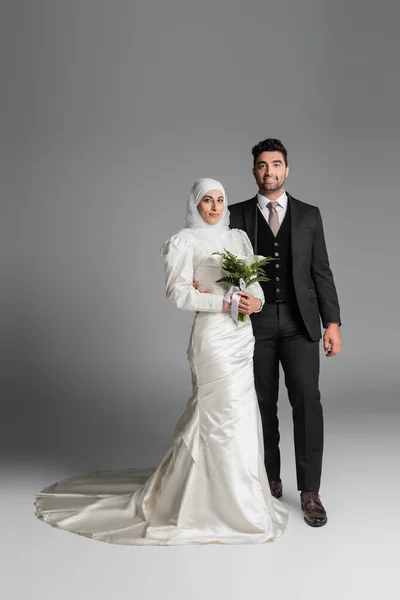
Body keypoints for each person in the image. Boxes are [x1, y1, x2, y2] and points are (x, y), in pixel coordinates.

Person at [35, 178, 288, 545]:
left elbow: (256, 289)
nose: (215, 207)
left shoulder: (237, 239)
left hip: (240, 336)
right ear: (194, 204)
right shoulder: (183, 241)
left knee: (242, 412)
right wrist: (223, 302)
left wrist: (254, 302)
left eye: (220, 199)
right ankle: (202, 505)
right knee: (216, 413)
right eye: (207, 201)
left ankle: (244, 500)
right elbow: (178, 294)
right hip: (213, 338)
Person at [229, 139, 342, 527]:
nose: (270, 171)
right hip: (253, 327)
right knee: (261, 405)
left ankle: (309, 491)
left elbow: (321, 271)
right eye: (262, 165)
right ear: (254, 171)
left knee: (308, 404)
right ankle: (268, 481)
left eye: (276, 164)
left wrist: (333, 323)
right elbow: (223, 274)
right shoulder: (236, 215)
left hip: (301, 324)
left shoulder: (309, 215)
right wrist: (233, 299)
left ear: (287, 169)